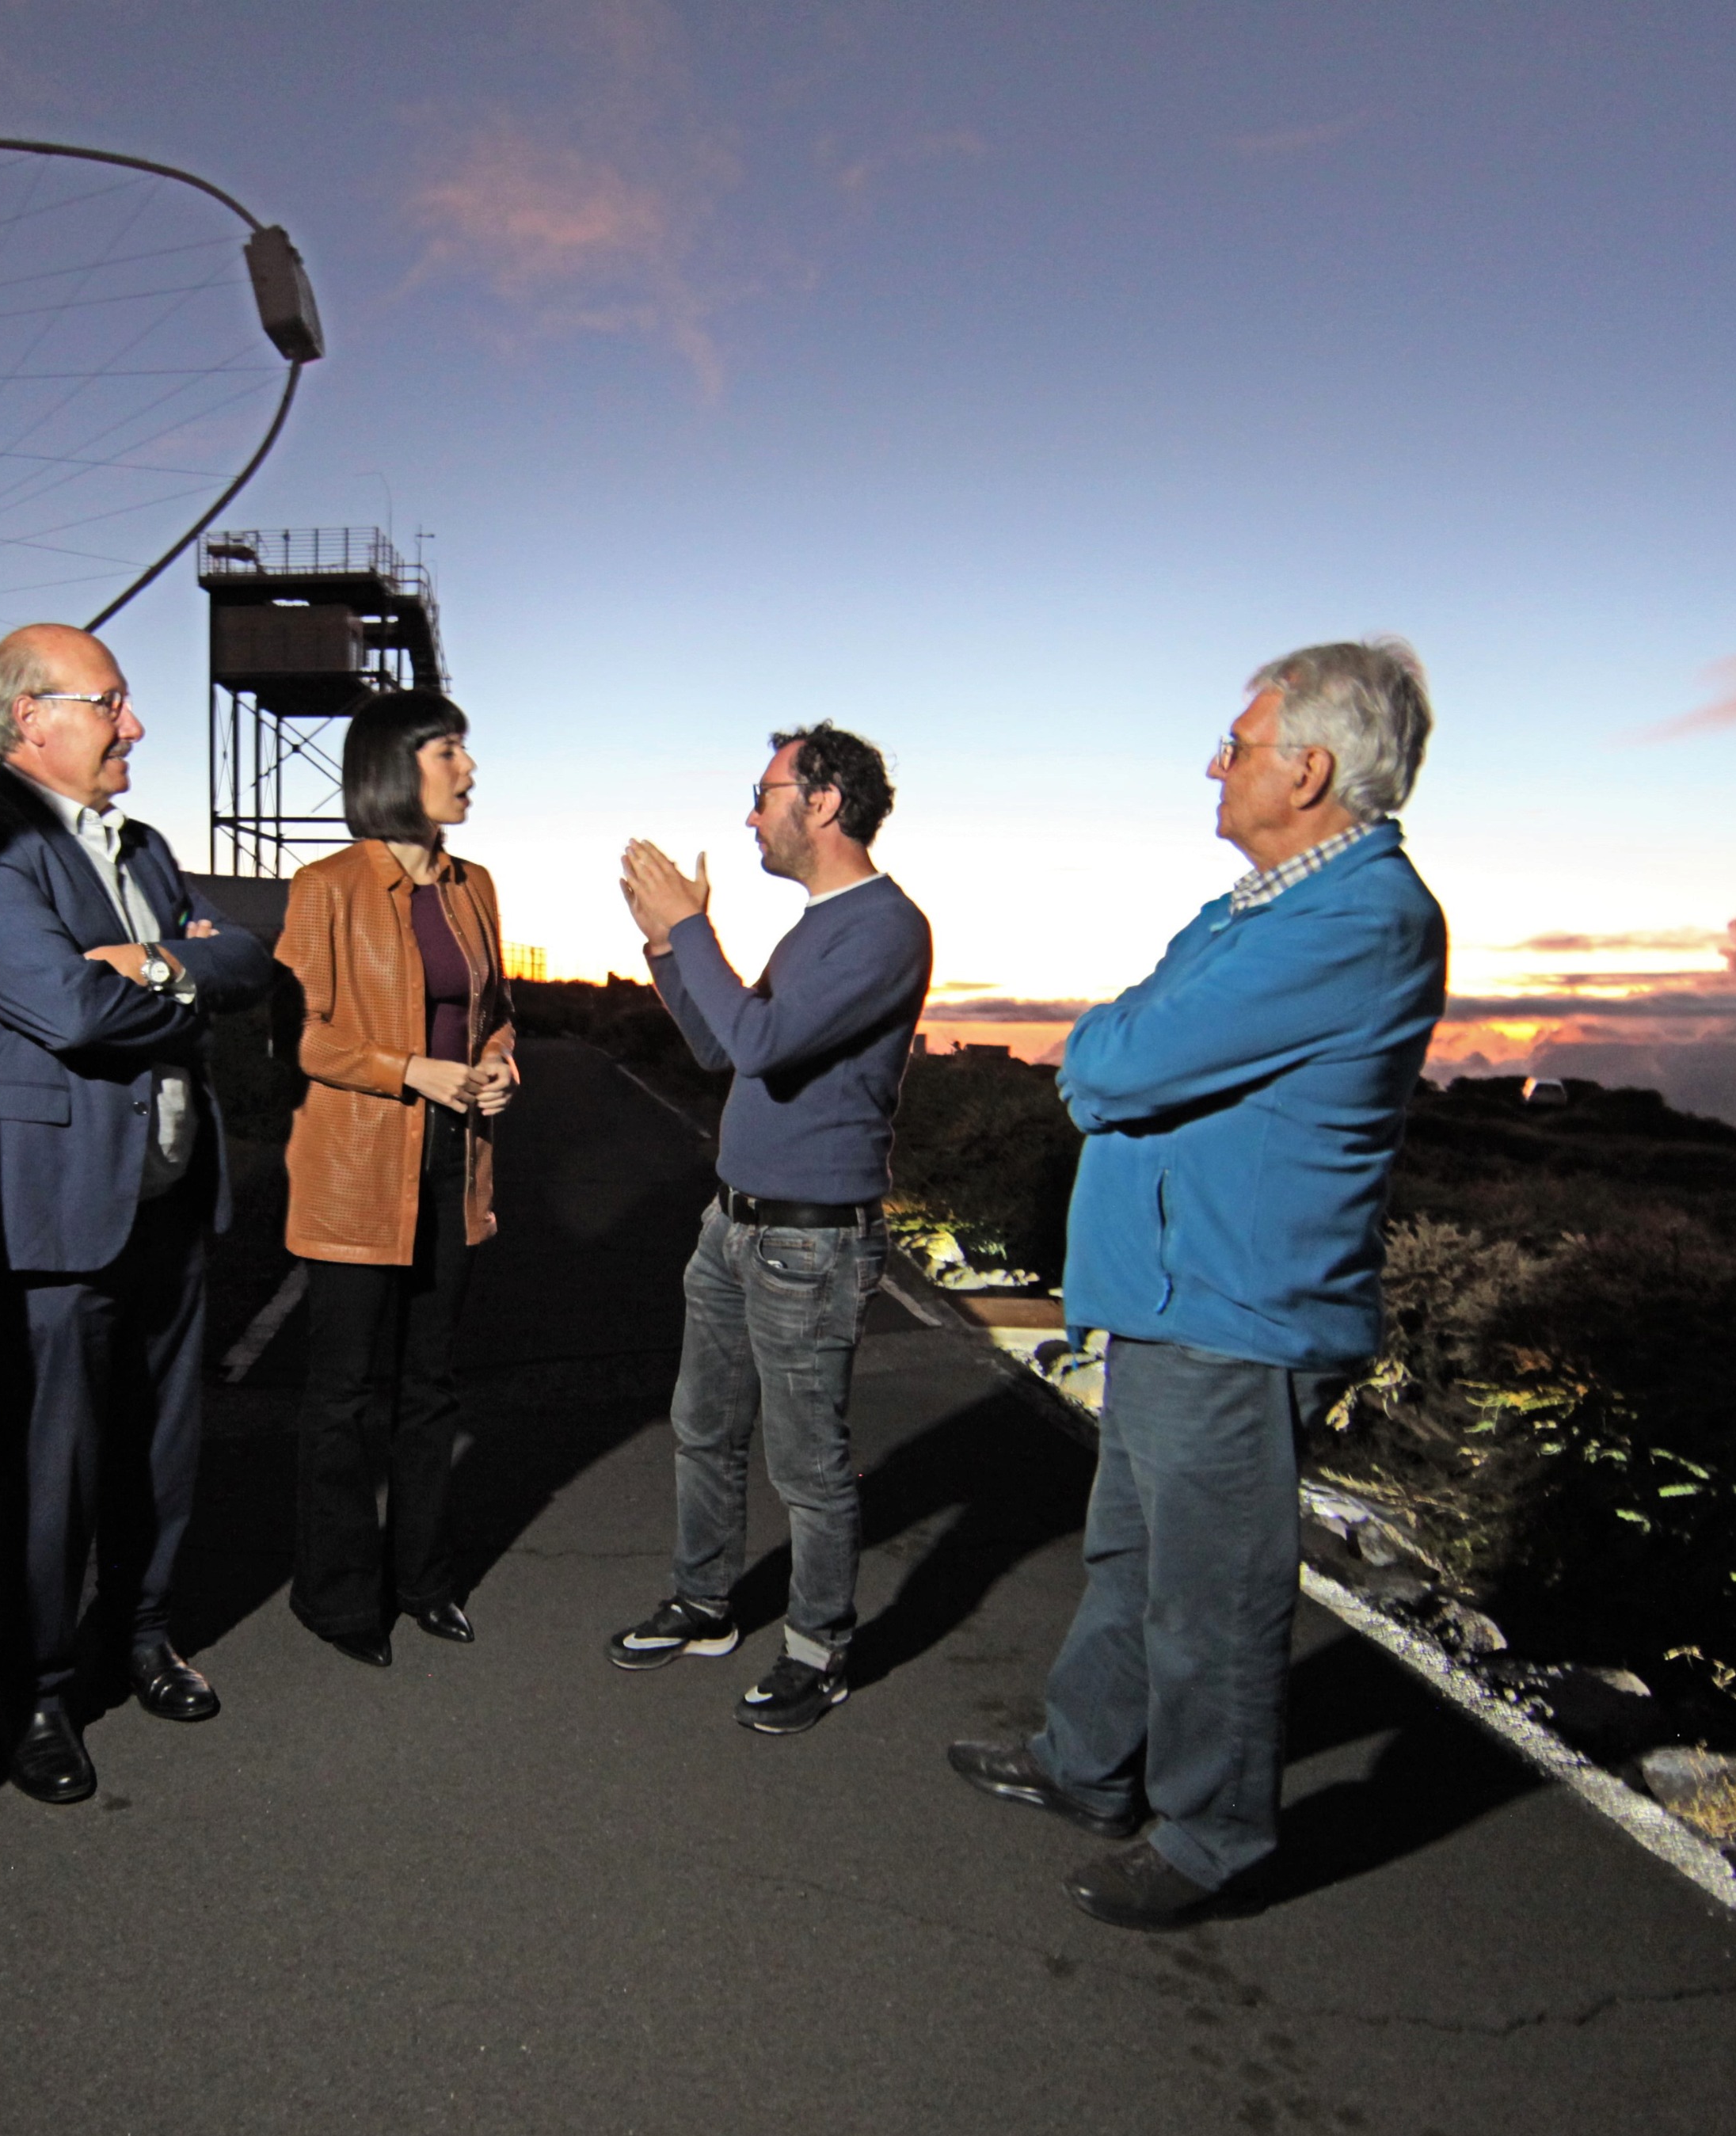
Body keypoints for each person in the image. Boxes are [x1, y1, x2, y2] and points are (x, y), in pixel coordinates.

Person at [946, 640, 1446, 1931]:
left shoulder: (1354, 920)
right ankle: (1085, 1761)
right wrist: (1119, 1041)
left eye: (1237, 742)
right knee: (1132, 1553)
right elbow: (1128, 1033)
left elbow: (1109, 1066)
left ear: (1311, 767)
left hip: (1241, 1305)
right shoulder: (1255, 909)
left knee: (1210, 1590)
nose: (1212, 763)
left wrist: (1115, 1047)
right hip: (1179, 1295)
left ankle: (1214, 1833)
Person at [0, 623, 272, 1806]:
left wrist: (157, 963)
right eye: (113, 702)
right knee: (50, 1461)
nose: (137, 726)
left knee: (161, 1445)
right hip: (58, 1217)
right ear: (33, 717)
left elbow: (247, 963)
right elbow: (67, 1009)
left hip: (167, 1201)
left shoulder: (148, 845)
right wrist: (177, 975)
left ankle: (144, 1634)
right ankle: (41, 1690)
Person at [603, 724, 931, 1734]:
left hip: (808, 1243)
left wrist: (692, 929)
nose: (750, 812)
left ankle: (817, 1647)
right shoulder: (809, 928)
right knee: (702, 1427)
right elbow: (719, 1045)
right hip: (732, 1225)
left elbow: (762, 1036)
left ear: (822, 802)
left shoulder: (882, 927)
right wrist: (667, 942)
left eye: (764, 790)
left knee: (808, 1464)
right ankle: (704, 1604)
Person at [277, 690, 520, 1666]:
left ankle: (422, 1579)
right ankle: (334, 1597)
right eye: (450, 750)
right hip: (352, 1174)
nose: (468, 769)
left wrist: (501, 1063)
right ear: (395, 765)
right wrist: (406, 1069)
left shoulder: (475, 885)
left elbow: (496, 1010)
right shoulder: (327, 883)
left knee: (430, 1389)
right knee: (341, 1397)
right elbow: (295, 1031)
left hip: (451, 1169)